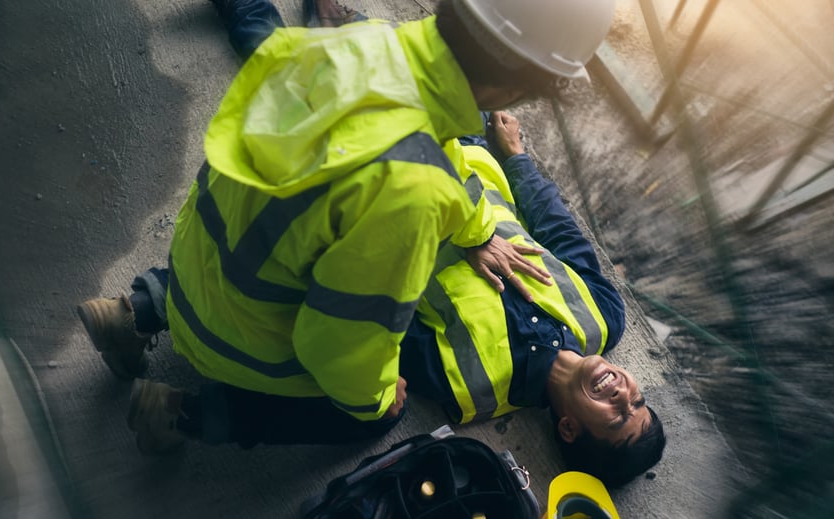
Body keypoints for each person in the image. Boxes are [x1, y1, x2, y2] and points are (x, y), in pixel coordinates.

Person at [76, 0, 624, 462]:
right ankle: (179, 415)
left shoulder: (367, 44)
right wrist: (377, 396)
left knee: (298, 231)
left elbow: (441, 147)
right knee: (374, 412)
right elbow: (337, 345)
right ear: (521, 84)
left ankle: (135, 310)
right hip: (231, 334)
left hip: (203, 258)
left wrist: (477, 230)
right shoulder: (412, 192)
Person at [403, 110, 666, 488]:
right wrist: (515, 157)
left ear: (569, 428)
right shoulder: (606, 317)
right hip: (472, 151)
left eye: (617, 416)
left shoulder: (463, 389)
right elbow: (557, 227)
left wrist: (464, 237)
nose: (625, 395)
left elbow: (380, 290)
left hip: (395, 178)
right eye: (638, 402)